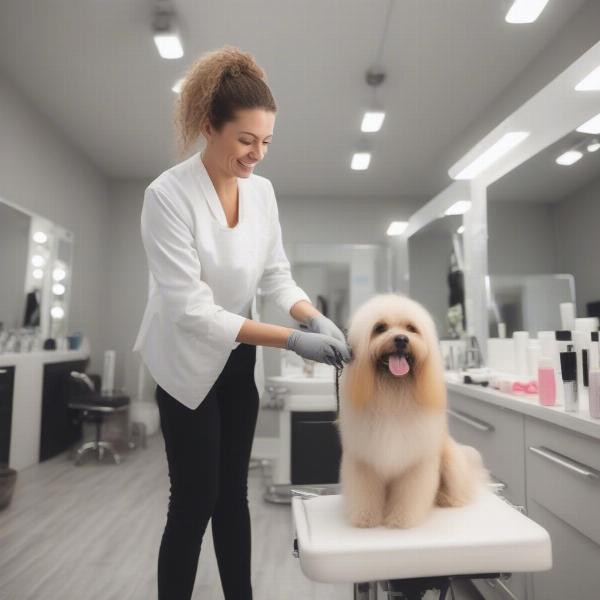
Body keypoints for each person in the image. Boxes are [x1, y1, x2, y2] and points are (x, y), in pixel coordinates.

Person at [132, 45, 352, 600]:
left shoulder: (263, 194)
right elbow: (191, 308)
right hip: (184, 362)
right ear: (210, 126)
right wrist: (292, 341)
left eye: (266, 143)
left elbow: (277, 277)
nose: (256, 155)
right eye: (246, 141)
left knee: (233, 494)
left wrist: (313, 316)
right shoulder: (167, 195)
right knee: (194, 499)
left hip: (238, 356)